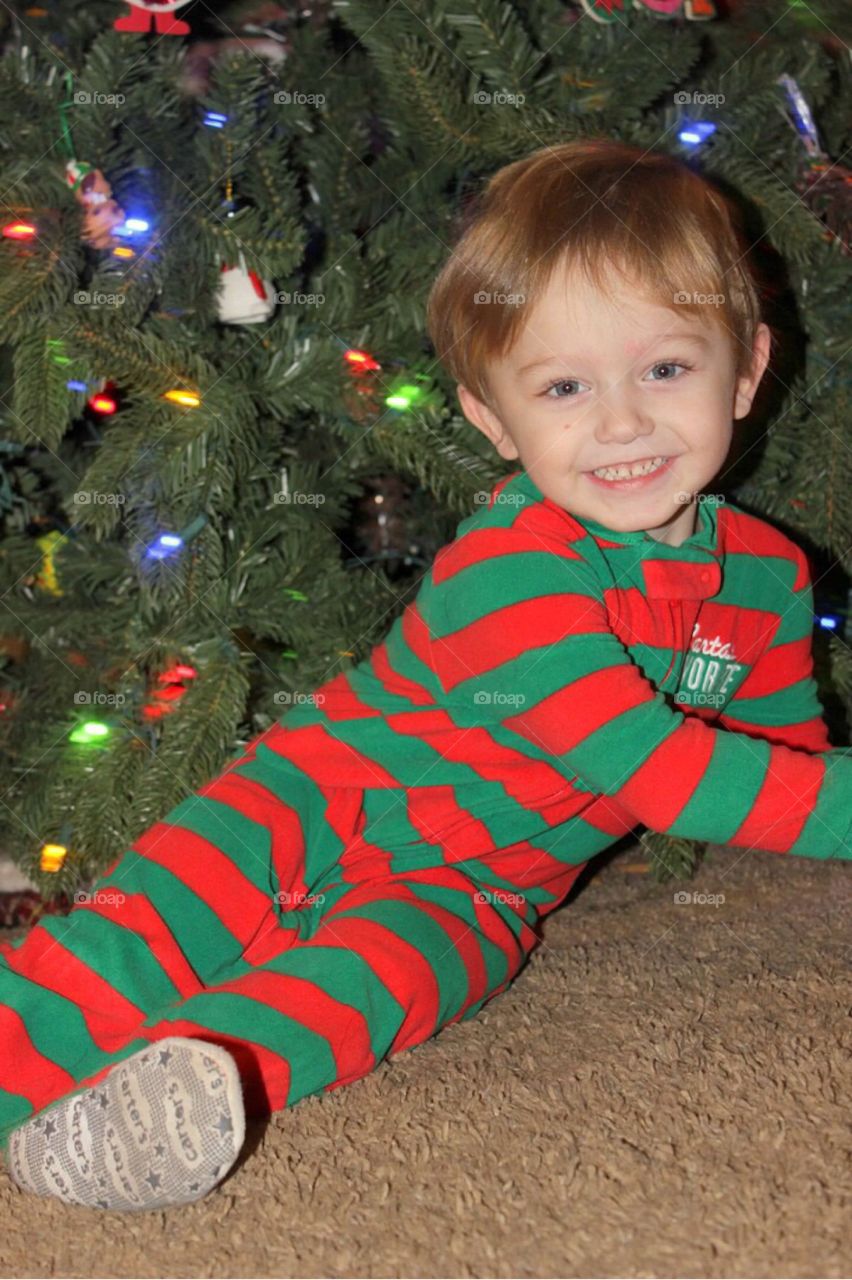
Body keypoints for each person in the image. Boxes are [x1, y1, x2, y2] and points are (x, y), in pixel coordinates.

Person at [2, 139, 849, 1213]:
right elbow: (668, 774)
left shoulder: (765, 579)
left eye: (668, 368)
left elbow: (782, 769)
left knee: (379, 986)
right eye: (564, 385)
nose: (623, 421)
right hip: (314, 801)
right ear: (493, 418)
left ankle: (125, 1121)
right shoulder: (516, 568)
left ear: (749, 367)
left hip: (484, 886)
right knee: (129, 946)